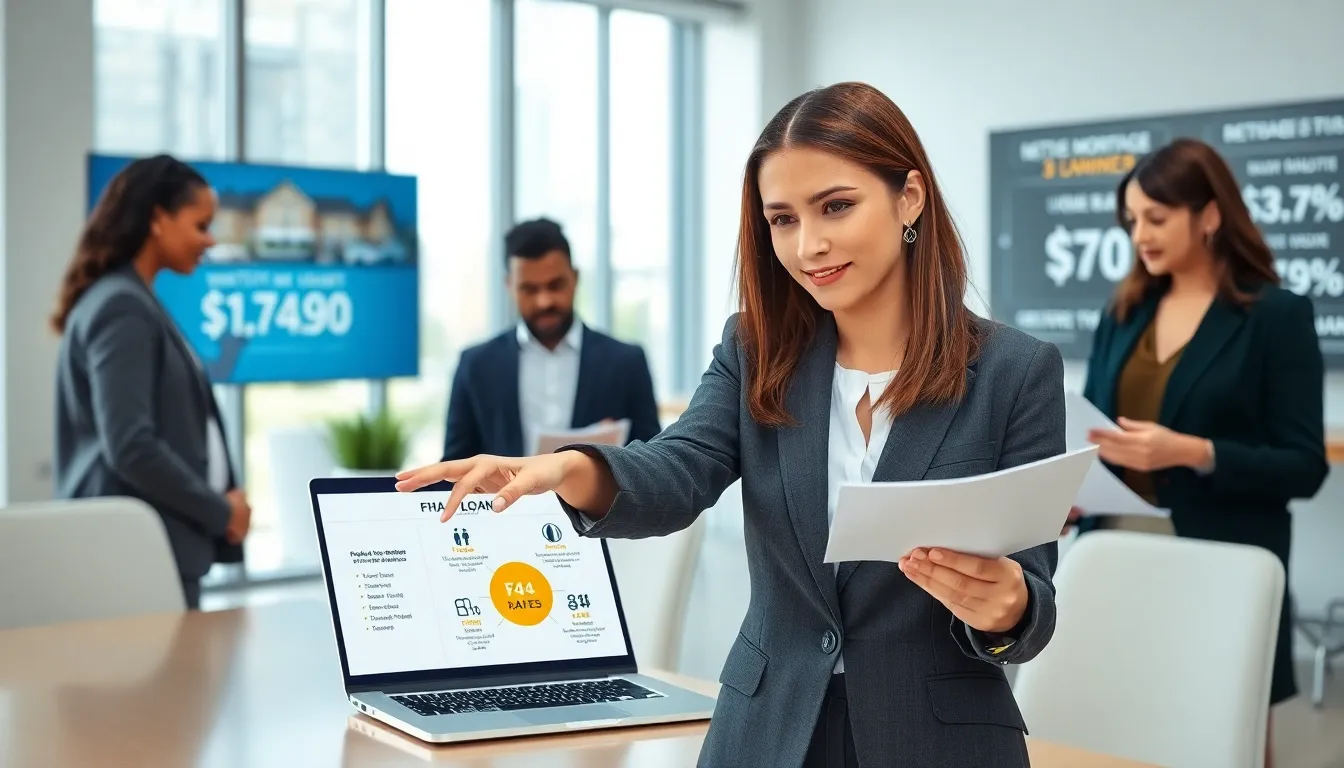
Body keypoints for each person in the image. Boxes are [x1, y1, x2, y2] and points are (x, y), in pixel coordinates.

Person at [399, 82, 1065, 768]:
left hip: (939, 742)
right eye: (782, 219)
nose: (810, 244)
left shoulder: (1017, 372)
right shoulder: (755, 351)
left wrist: (1008, 606)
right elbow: (677, 468)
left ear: (909, 198)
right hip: (769, 732)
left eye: (836, 206)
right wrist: (571, 468)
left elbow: (1032, 603)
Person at [1071, 137, 1328, 767]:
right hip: (1117, 556)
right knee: (1119, 727)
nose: (1141, 235)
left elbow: (1304, 465)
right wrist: (1068, 488)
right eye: (1132, 221)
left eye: (1156, 218)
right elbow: (1093, 430)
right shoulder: (1124, 312)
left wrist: (1194, 452)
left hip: (1225, 562)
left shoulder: (1275, 317)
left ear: (1209, 214)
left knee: (1225, 736)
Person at [52, 154, 251, 611]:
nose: (210, 240)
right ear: (158, 219)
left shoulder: (134, 301)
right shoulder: (122, 307)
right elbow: (131, 445)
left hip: (150, 553)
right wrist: (221, 511)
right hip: (134, 558)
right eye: (201, 225)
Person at [440, 217, 662, 461]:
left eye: (555, 285)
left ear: (575, 278)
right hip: (504, 500)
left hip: (599, 501)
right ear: (509, 286)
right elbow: (455, 466)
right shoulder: (476, 364)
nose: (544, 301)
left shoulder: (626, 362)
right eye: (529, 289)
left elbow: (652, 462)